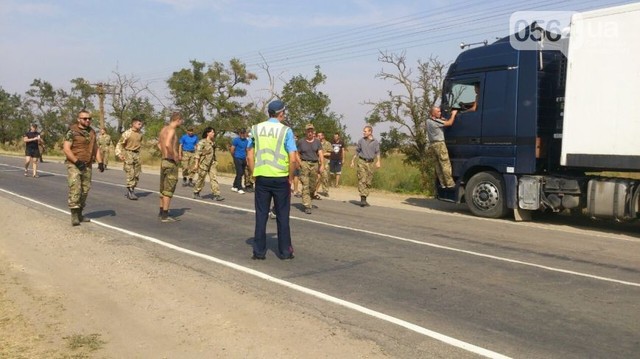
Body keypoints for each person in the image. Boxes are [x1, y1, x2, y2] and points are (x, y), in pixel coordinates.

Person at [246, 100, 298, 260]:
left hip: (262, 177)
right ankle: (285, 251)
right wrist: (290, 177)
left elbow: (249, 154)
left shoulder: (256, 128)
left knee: (261, 215)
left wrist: (253, 173)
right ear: (281, 113)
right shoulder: (286, 131)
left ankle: (259, 252)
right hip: (281, 177)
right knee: (282, 216)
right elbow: (293, 158)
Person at [62, 110, 104, 226]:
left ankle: (80, 213)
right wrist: (76, 161)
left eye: (89, 118)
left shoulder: (92, 132)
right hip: (74, 164)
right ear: (79, 119)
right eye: (85, 118)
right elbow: (66, 149)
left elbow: (95, 148)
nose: (87, 120)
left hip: (87, 164)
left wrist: (100, 162)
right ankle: (74, 215)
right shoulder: (72, 132)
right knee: (75, 189)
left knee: (85, 190)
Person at [157, 112, 184, 222]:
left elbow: (159, 144)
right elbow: (168, 144)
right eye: (181, 120)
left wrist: (164, 153)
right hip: (170, 161)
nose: (182, 123)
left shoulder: (164, 129)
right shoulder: (172, 130)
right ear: (178, 119)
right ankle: (165, 215)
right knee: (169, 189)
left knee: (163, 188)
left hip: (163, 161)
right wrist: (174, 156)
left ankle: (161, 210)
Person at [427, 107, 458, 189]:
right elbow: (449, 123)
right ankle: (450, 183)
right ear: (433, 113)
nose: (440, 113)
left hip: (432, 144)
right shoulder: (435, 121)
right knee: (445, 164)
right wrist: (453, 114)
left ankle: (442, 183)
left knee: (438, 165)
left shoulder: (428, 121)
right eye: (438, 111)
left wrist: (441, 118)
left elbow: (439, 120)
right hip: (439, 144)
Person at [350, 125, 381, 207]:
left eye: (365, 131)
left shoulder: (375, 142)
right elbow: (357, 151)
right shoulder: (361, 141)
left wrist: (378, 162)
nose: (364, 132)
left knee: (368, 181)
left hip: (370, 163)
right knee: (362, 179)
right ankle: (362, 198)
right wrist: (352, 161)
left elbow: (377, 152)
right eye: (363, 131)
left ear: (370, 132)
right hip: (362, 161)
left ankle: (365, 198)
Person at [297, 124, 323, 214]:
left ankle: (310, 196)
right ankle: (307, 205)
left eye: (311, 131)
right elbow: (297, 153)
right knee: (305, 184)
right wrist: (300, 163)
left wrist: (322, 164)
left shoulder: (317, 142)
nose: (310, 133)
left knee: (312, 185)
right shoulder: (301, 142)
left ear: (313, 132)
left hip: (314, 164)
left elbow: (320, 153)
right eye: (308, 131)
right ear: (306, 132)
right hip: (304, 163)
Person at [192, 127, 225, 201]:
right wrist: (196, 164)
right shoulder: (202, 142)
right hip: (203, 163)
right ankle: (196, 191)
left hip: (212, 163)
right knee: (201, 178)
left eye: (214, 132)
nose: (214, 133)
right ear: (208, 133)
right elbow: (197, 154)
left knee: (214, 178)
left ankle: (217, 194)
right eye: (212, 132)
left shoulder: (213, 142)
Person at [115, 117, 144, 200]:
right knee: (130, 173)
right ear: (133, 124)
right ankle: (131, 191)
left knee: (136, 174)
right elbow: (120, 144)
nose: (140, 125)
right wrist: (119, 154)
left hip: (137, 154)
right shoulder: (127, 133)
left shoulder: (140, 133)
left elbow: (139, 142)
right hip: (128, 153)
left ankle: (131, 190)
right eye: (139, 124)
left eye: (141, 124)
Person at [230, 128, 249, 194]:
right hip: (237, 157)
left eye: (244, 133)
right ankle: (239, 188)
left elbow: (247, 150)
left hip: (243, 158)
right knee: (239, 172)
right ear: (239, 133)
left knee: (241, 173)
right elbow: (232, 149)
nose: (242, 134)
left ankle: (234, 186)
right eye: (241, 133)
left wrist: (247, 158)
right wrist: (234, 156)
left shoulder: (246, 141)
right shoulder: (236, 140)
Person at [315, 131, 332, 197]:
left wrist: (322, 154)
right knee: (316, 177)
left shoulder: (327, 143)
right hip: (317, 162)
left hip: (325, 162)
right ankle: (314, 189)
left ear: (323, 136)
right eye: (317, 135)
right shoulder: (316, 143)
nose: (318, 137)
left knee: (325, 177)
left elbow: (330, 153)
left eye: (320, 136)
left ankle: (325, 191)